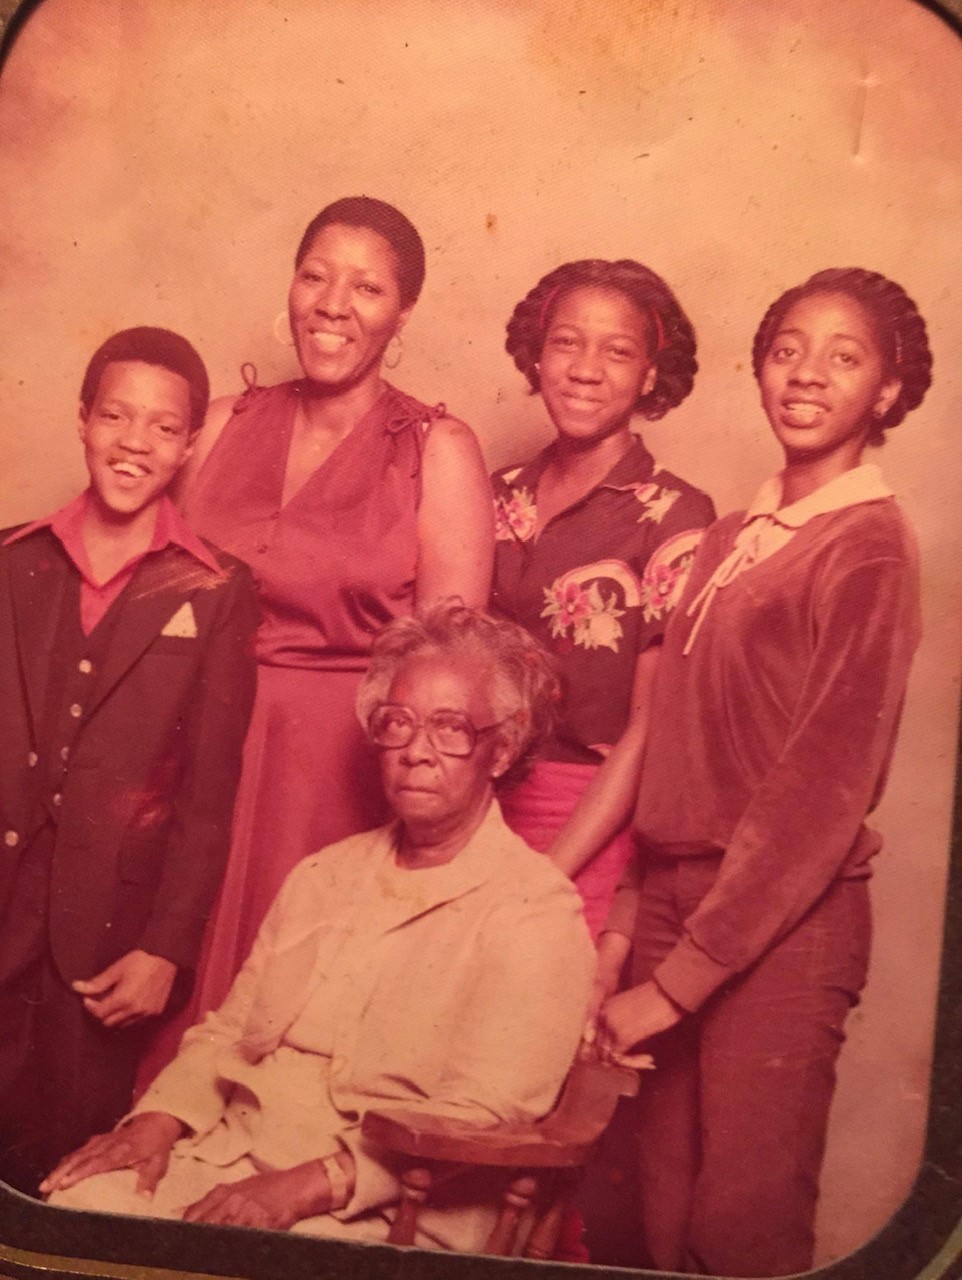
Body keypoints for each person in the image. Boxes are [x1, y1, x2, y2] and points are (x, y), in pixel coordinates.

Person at [42, 603, 595, 1254]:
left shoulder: (535, 911)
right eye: (397, 723)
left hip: (397, 1207)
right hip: (236, 1159)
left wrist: (307, 1186)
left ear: (500, 751)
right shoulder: (323, 875)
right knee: (75, 1210)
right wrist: (157, 1123)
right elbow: (230, 1033)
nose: (416, 752)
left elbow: (482, 1116)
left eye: (450, 729)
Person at [591, 268, 933, 1277]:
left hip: (781, 928)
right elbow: (673, 746)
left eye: (842, 357)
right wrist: (626, 926)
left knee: (738, 1233)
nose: (806, 374)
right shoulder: (728, 540)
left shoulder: (868, 547)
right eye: (787, 350)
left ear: (886, 390)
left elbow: (817, 798)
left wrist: (674, 986)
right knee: (652, 1227)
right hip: (673, 908)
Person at [170, 196, 494, 1022]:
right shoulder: (218, 426)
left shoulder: (437, 449)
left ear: (403, 313)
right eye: (315, 277)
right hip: (195, 756)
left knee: (300, 1014)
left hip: (339, 776)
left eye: (367, 288)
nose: (333, 305)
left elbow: (449, 675)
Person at [0, 327, 259, 1193]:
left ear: (188, 445)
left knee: (65, 1171)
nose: (134, 443)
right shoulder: (10, 560)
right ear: (82, 419)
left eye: (162, 427)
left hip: (105, 947)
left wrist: (164, 949)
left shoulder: (217, 589)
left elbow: (209, 795)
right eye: (115, 416)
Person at [491, 259, 715, 938]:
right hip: (471, 809)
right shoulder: (492, 493)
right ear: (537, 356)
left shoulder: (675, 515)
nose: (585, 369)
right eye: (566, 342)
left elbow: (651, 730)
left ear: (649, 374)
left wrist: (550, 872)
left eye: (617, 351)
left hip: (589, 826)